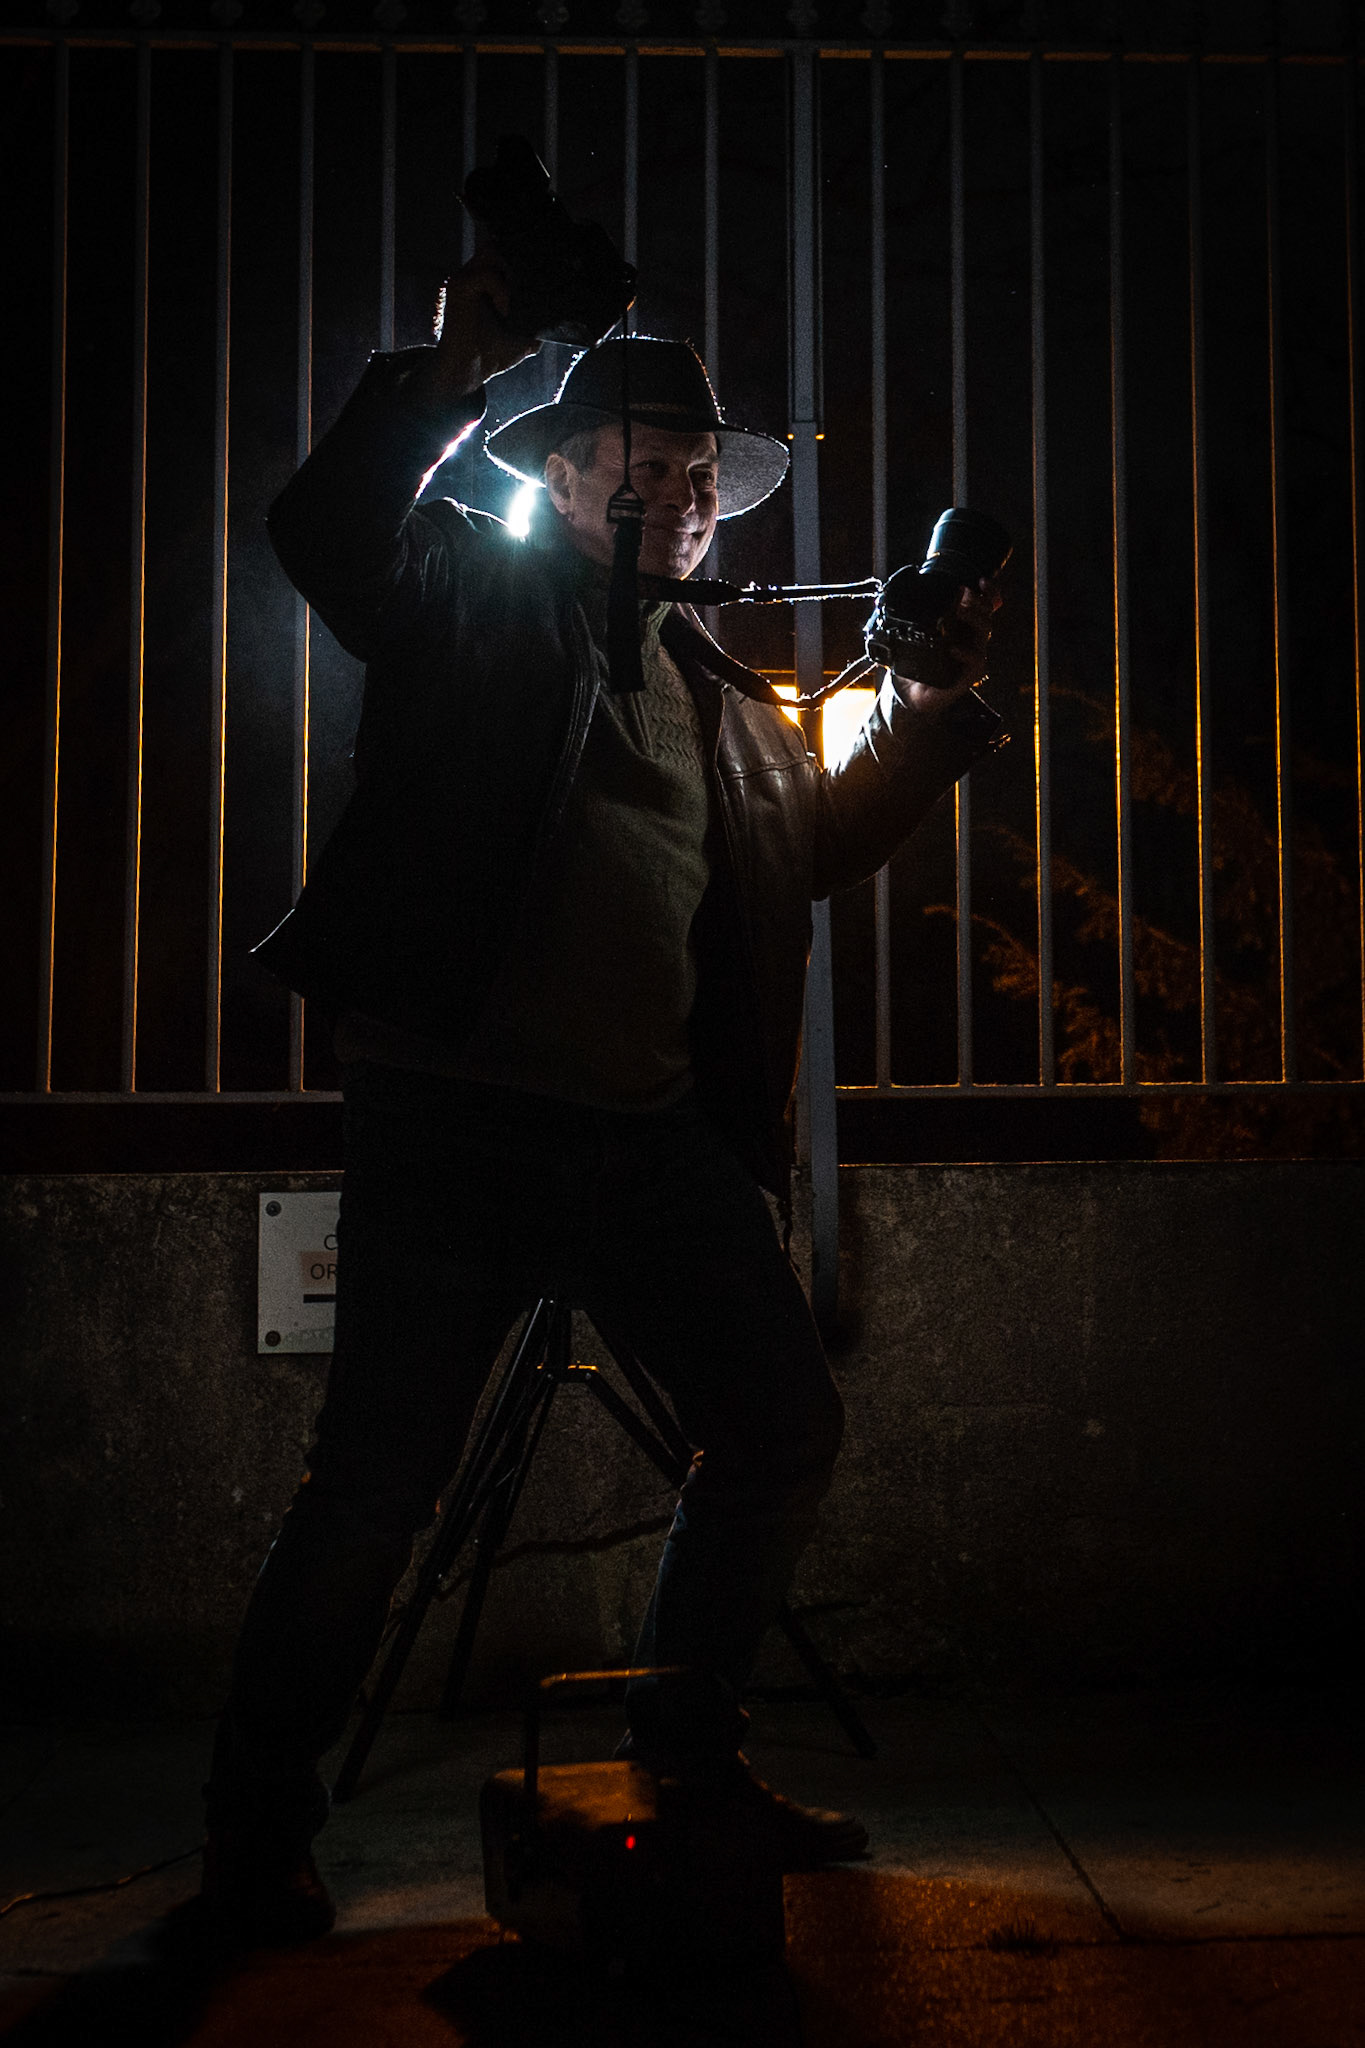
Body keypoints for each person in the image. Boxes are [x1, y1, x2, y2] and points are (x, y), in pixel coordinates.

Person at [202, 250, 1004, 1945]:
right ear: (561, 477)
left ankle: (685, 1763)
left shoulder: (716, 687)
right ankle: (253, 1834)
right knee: (373, 1489)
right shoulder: (470, 594)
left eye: (701, 476)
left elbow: (812, 847)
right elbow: (326, 533)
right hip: (455, 1117)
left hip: (645, 1138)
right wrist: (458, 365)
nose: (685, 499)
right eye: (647, 465)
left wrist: (923, 695)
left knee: (777, 1425)